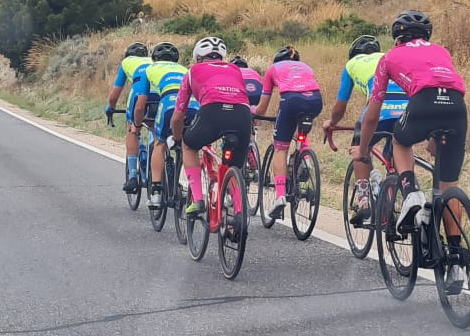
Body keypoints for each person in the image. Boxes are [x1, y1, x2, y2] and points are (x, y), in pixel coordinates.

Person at [357, 10, 467, 258]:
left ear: (397, 38)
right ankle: (456, 257)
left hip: (423, 101)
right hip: (457, 107)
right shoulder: (441, 51)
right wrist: (434, 137)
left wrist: (364, 150)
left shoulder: (389, 58)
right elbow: (446, 86)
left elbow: (372, 116)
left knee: (399, 140)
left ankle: (411, 194)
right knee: (449, 186)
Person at [322, 32, 407, 228]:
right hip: (408, 109)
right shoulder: (389, 56)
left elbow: (340, 106)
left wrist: (331, 122)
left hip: (382, 108)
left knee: (360, 147)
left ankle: (364, 202)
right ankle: (394, 194)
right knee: (394, 155)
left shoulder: (351, 65)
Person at [173, 37, 254, 220]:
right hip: (243, 115)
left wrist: (178, 137)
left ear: (198, 57)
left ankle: (198, 200)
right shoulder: (235, 69)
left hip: (212, 112)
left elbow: (178, 115)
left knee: (189, 145)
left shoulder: (193, 71)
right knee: (234, 166)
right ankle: (239, 212)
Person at [258, 46, 324, 222]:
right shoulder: (306, 67)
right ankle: (305, 158)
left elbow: (262, 107)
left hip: (291, 100)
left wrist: (253, 112)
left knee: (281, 147)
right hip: (315, 100)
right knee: (300, 130)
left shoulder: (273, 69)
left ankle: (280, 195)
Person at [127, 43, 186, 193]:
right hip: (182, 105)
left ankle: (135, 177)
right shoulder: (185, 70)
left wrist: (136, 125)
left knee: (140, 132)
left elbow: (138, 106)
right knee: (184, 142)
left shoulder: (147, 69)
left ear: (153, 58)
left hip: (153, 101)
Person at [105, 41, 152, 192]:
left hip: (139, 95)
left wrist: (110, 108)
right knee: (156, 127)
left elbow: (115, 94)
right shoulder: (153, 62)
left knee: (132, 129)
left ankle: (132, 176)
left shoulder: (126, 62)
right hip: (160, 95)